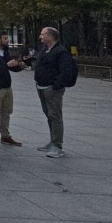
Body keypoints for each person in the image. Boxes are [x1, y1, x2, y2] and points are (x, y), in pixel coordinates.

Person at [34, 26, 76, 158]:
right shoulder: (44, 50)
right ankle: (52, 141)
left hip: (52, 88)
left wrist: (56, 85)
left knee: (55, 115)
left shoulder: (61, 52)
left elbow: (65, 71)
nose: (40, 37)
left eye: (43, 34)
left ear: (50, 36)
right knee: (49, 114)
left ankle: (57, 145)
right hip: (41, 86)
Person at [0, 31, 23, 147]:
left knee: (6, 112)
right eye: (5, 38)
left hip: (7, 85)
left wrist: (19, 65)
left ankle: (5, 135)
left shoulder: (7, 51)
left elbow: (11, 67)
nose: (7, 40)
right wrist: (6, 65)